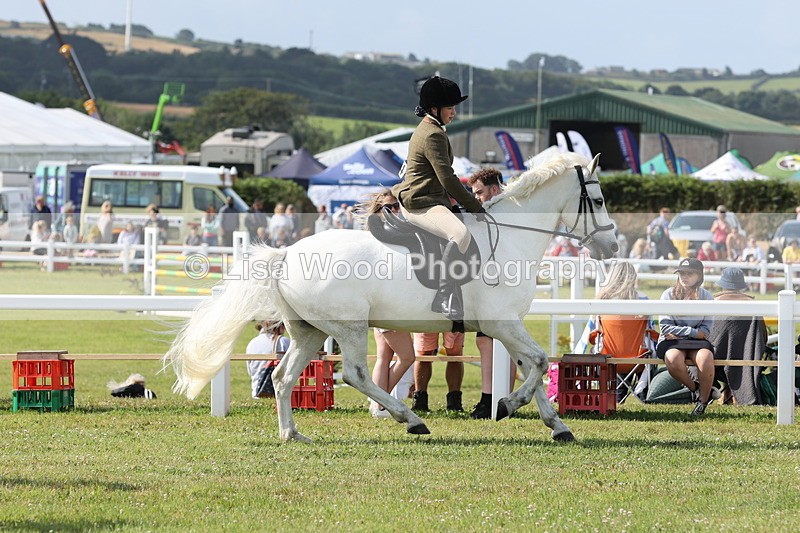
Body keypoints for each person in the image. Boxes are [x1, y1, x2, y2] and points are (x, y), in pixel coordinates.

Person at [391, 75, 485, 321]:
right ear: (434, 109)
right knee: (460, 235)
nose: (454, 112)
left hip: (428, 196)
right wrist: (475, 206)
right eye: (450, 107)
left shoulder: (431, 129)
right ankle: (443, 296)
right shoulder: (433, 134)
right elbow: (447, 178)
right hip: (420, 203)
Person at [356, 189, 417, 418]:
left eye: (396, 206)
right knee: (407, 357)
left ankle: (378, 404)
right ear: (379, 210)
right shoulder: (384, 233)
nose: (394, 210)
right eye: (388, 207)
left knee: (384, 357)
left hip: (382, 304)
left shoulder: (378, 233)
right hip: (388, 305)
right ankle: (381, 402)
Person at [465, 167, 514, 419]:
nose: (476, 198)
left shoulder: (506, 214)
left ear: (494, 190)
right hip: (493, 286)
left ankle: (493, 400)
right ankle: (499, 399)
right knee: (492, 342)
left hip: (502, 287)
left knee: (496, 342)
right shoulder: (498, 212)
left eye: (479, 192)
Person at [656, 257, 720, 416]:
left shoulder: (707, 297)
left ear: (699, 276)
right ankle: (696, 389)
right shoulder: (668, 294)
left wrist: (681, 332)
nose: (684, 277)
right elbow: (665, 327)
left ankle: (702, 403)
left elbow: (706, 330)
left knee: (706, 358)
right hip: (675, 342)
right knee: (673, 359)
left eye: (689, 273)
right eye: (681, 273)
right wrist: (693, 332)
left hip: (692, 341)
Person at [588, 262, 654, 402]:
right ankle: (642, 390)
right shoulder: (643, 299)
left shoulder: (601, 300)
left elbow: (594, 330)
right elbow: (650, 329)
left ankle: (617, 392)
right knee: (645, 347)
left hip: (607, 358)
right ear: (633, 277)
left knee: (608, 347)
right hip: (638, 360)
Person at [709, 267, 767, 405]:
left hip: (714, 356)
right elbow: (762, 335)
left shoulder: (712, 302)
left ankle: (725, 392)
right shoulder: (753, 304)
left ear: (723, 284)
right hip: (747, 355)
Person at [410, 331, 465, 412]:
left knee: (455, 354)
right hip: (426, 323)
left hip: (453, 322)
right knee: (423, 352)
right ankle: (419, 402)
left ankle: (454, 403)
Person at [246, 320, 290, 399]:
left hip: (257, 391)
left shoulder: (251, 343)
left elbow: (250, 372)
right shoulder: (283, 341)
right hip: (279, 394)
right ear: (280, 326)